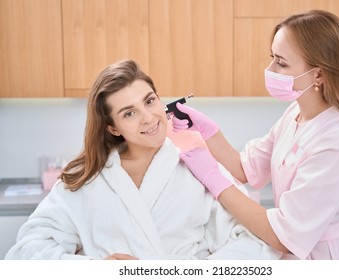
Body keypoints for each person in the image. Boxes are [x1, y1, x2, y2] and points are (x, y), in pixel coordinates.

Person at [5, 60, 281, 260]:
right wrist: (93, 270)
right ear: (112, 127)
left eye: (150, 101)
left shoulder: (199, 167)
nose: (148, 117)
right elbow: (28, 249)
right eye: (129, 113)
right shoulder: (86, 177)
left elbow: (252, 241)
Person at [173, 10, 339, 260]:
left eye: (281, 63)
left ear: (319, 75)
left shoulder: (338, 140)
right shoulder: (296, 114)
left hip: (330, 257)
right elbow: (246, 168)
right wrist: (207, 131)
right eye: (272, 58)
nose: (269, 69)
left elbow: (283, 235)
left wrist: (213, 178)